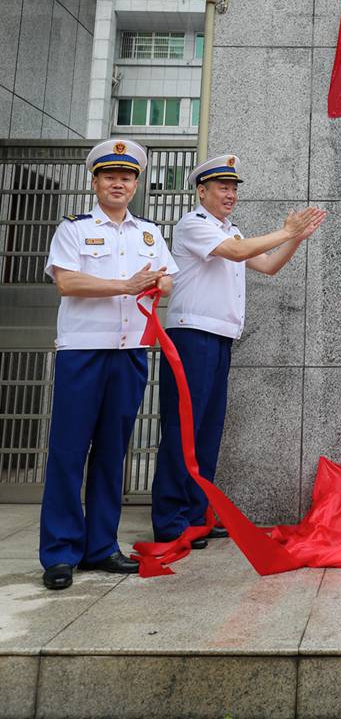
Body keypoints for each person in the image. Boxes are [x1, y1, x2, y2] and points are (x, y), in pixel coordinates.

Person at [151, 154, 326, 544]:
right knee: (184, 429)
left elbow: (267, 265)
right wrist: (284, 231)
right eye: (222, 187)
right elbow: (236, 253)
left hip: (219, 338)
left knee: (208, 430)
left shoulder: (232, 230)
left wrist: (294, 237)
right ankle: (169, 520)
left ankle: (196, 514)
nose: (230, 194)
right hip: (190, 336)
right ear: (202, 191)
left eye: (233, 188)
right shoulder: (193, 225)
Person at [40, 140, 177, 590]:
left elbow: (166, 279)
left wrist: (162, 283)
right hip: (83, 350)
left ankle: (101, 547)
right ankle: (60, 553)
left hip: (130, 353)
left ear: (137, 184)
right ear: (95, 182)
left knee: (112, 452)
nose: (119, 183)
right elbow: (67, 281)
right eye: (110, 176)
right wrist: (126, 284)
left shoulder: (148, 233)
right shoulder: (74, 229)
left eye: (127, 177)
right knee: (68, 451)